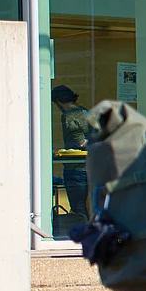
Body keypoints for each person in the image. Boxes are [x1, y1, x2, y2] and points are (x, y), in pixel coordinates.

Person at [52, 85, 94, 216]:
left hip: (75, 168)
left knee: (78, 208)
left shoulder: (68, 116)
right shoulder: (85, 112)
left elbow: (80, 142)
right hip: (91, 166)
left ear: (58, 101)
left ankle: (83, 235)